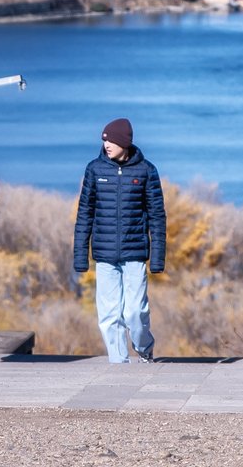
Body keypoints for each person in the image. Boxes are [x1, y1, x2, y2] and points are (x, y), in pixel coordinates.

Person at [73, 117, 166, 363]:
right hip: (104, 255)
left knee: (135, 311)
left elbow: (157, 216)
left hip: (135, 253)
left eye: (111, 141)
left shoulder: (146, 170)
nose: (106, 145)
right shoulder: (95, 169)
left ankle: (144, 347)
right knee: (109, 315)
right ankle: (119, 364)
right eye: (104, 141)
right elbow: (84, 214)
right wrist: (81, 256)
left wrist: (158, 258)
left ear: (124, 142)